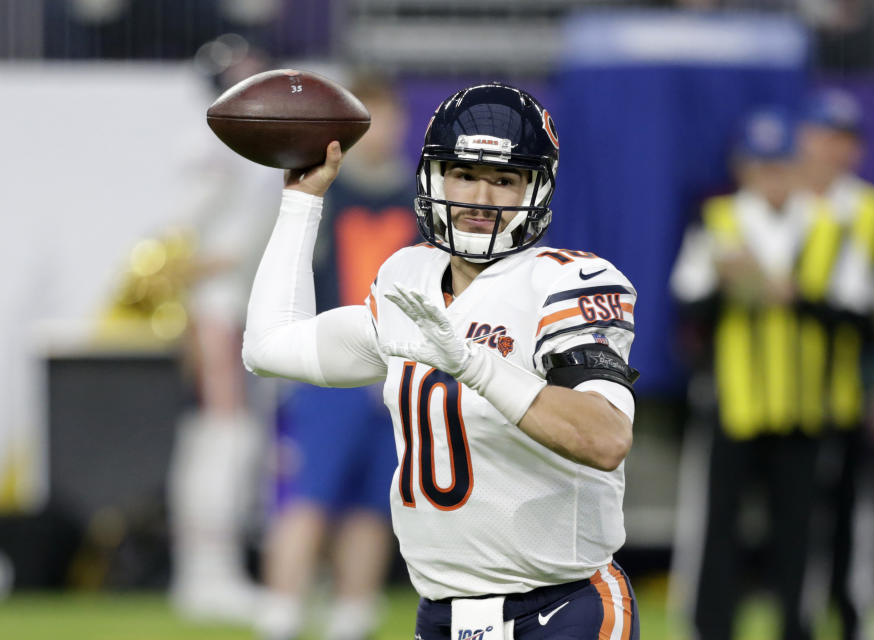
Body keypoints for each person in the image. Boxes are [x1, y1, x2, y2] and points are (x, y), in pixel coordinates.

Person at [243, 83, 641, 639]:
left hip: (561, 607)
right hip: (443, 616)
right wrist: (302, 201)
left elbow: (605, 438)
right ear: (432, 178)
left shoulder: (567, 283)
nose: (482, 197)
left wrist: (474, 365)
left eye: (504, 180)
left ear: (538, 189)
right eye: (464, 174)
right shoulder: (409, 279)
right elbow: (269, 347)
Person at [256, 76, 418, 640]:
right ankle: (282, 608)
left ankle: (352, 610)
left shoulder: (418, 199)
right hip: (329, 368)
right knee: (310, 494)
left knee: (375, 501)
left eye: (387, 118)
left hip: (396, 371)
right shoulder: (323, 192)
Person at [670, 108, 821, 640]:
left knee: (798, 529)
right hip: (732, 398)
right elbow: (688, 301)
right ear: (743, 168)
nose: (771, 179)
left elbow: (854, 308)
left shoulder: (821, 219)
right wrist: (732, 285)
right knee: (719, 525)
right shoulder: (718, 220)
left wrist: (777, 290)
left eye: (779, 166)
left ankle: (795, 626)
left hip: (804, 400)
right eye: (761, 166)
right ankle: (712, 626)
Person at [796, 88, 874, 640]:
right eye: (826, 136)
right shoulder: (778, 198)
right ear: (804, 139)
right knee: (791, 521)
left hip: (844, 388)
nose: (834, 150)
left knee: (851, 523)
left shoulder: (871, 211)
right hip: (774, 396)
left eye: (845, 140)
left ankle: (853, 623)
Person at [167, 35, 278, 623]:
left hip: (242, 301)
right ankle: (208, 574)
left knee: (240, 436)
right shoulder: (213, 140)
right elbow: (183, 236)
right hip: (219, 303)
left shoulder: (250, 143)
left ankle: (216, 571)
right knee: (225, 433)